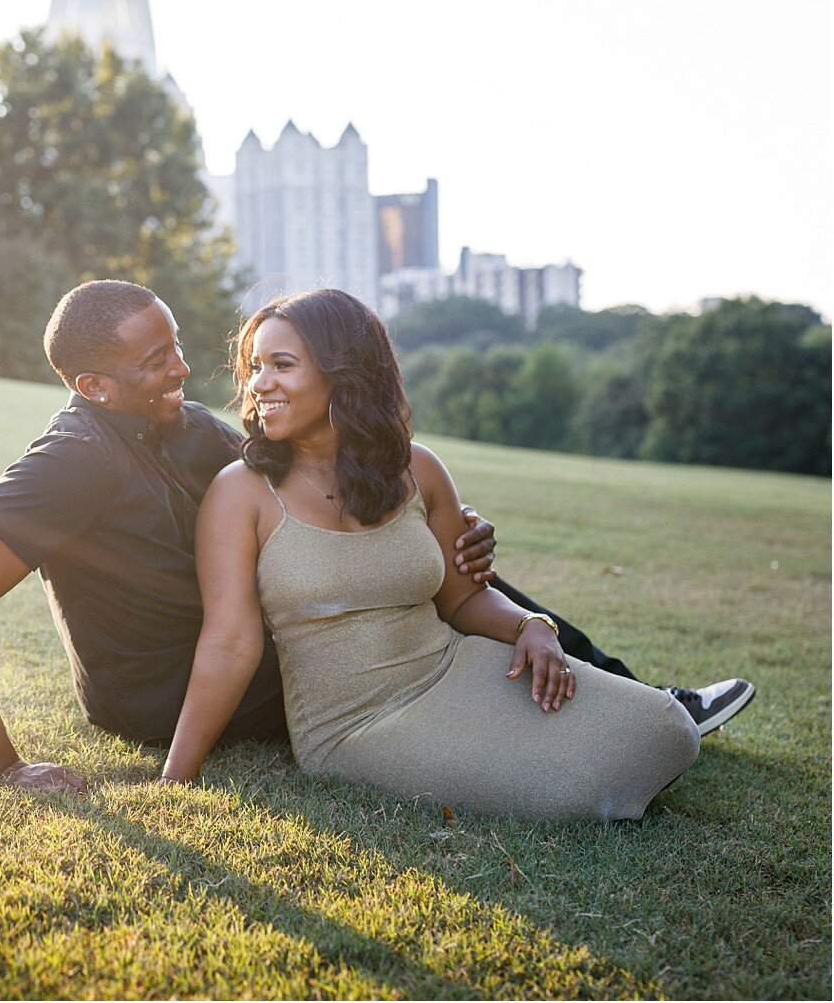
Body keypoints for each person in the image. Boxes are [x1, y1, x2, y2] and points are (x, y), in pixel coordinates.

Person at [0, 280, 753, 794]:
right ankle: (646, 710)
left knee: (430, 565)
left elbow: (327, 488)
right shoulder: (70, 462)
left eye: (177, 346)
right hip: (169, 691)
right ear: (94, 384)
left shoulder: (186, 429)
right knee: (414, 603)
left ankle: (627, 696)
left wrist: (441, 521)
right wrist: (6, 769)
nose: (182, 368)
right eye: (155, 359)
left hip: (249, 641)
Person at [161, 289, 702, 819]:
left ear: (343, 372)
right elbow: (229, 645)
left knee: (665, 727)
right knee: (569, 789)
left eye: (282, 365)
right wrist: (175, 779)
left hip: (455, 667)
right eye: (256, 366)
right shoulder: (241, 491)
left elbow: (464, 600)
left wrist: (531, 626)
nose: (260, 384)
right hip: (354, 725)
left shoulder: (417, 469)